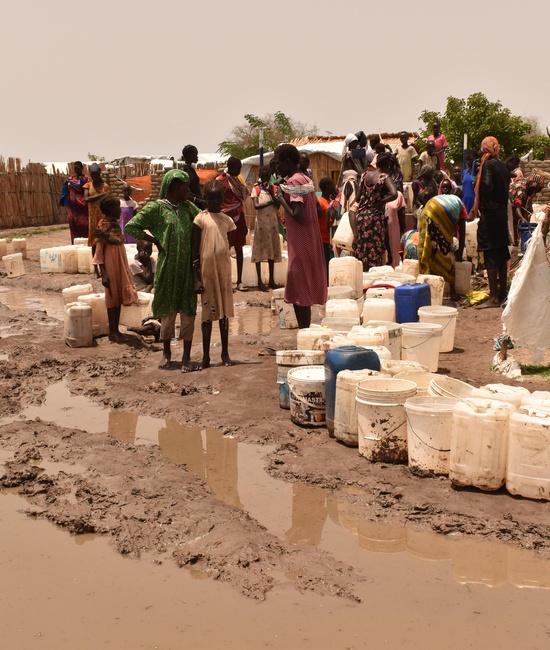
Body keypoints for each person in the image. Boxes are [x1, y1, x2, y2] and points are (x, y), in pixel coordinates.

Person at [125, 169, 200, 371]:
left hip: (187, 269)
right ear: (175, 187)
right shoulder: (157, 209)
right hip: (167, 268)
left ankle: (186, 356)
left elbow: (203, 221)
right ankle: (166, 353)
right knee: (167, 310)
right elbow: (131, 227)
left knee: (188, 311)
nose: (189, 190)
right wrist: (154, 239)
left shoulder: (188, 208)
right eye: (186, 187)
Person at [273, 144, 327, 329]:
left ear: (288, 161)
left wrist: (281, 199)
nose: (276, 167)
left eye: (279, 163)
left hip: (300, 243)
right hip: (309, 240)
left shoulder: (294, 182)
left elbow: (299, 215)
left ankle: (304, 332)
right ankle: (305, 332)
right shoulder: (306, 178)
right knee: (300, 288)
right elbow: (316, 212)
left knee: (300, 290)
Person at [192, 180, 236, 368]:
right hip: (206, 273)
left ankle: (225, 353)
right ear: (205, 199)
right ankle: (206, 357)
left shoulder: (227, 220)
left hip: (223, 271)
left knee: (224, 314)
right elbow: (194, 251)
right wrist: (196, 277)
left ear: (223, 199)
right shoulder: (200, 219)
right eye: (211, 198)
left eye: (218, 198)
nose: (215, 202)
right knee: (207, 315)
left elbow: (228, 244)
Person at [93, 196, 138, 343]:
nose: (120, 210)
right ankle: (112, 332)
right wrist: (104, 274)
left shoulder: (115, 225)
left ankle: (116, 330)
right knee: (112, 297)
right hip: (110, 265)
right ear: (110, 210)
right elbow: (99, 251)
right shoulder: (103, 227)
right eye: (117, 207)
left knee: (118, 297)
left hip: (119, 262)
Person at [473, 136, 511, 308]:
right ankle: (503, 295)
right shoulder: (503, 166)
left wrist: (486, 201)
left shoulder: (487, 165)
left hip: (490, 216)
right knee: (502, 254)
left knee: (490, 254)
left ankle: (494, 298)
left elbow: (486, 184)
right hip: (502, 214)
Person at [349, 153, 398, 270]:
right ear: (388, 166)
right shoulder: (384, 177)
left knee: (362, 256)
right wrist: (380, 202)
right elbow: (394, 193)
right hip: (374, 221)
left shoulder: (365, 175)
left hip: (360, 219)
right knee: (374, 256)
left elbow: (357, 198)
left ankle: (362, 285)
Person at [418, 194, 467, 300]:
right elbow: (462, 230)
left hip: (428, 208)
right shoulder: (461, 208)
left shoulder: (450, 200)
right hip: (440, 211)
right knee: (445, 250)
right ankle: (452, 292)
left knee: (430, 245)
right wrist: (460, 251)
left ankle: (426, 287)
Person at [216, 156, 249, 291]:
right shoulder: (220, 181)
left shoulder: (238, 179)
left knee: (239, 248)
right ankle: (226, 281)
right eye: (238, 168)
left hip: (239, 217)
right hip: (225, 218)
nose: (239, 170)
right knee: (224, 250)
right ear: (230, 167)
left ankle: (239, 281)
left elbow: (242, 197)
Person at [250, 166, 282, 291]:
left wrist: (270, 192)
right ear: (260, 176)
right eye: (263, 176)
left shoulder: (274, 189)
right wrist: (270, 202)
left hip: (272, 223)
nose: (265, 178)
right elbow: (257, 206)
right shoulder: (256, 189)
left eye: (267, 176)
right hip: (261, 224)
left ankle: (272, 280)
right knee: (259, 250)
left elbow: (278, 205)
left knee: (272, 250)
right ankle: (259, 281)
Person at [510, 174, 545, 246]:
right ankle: (514, 245)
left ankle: (519, 244)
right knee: (514, 225)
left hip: (519, 208)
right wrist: (522, 217)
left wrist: (530, 215)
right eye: (534, 188)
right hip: (511, 208)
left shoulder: (530, 190)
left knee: (524, 226)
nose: (535, 190)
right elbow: (517, 207)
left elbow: (528, 204)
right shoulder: (520, 189)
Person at [84, 164, 110, 250]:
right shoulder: (88, 185)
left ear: (99, 174)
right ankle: (95, 262)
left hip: (102, 216)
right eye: (93, 175)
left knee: (103, 238)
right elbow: (86, 199)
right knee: (93, 242)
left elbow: (108, 201)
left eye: (96, 174)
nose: (94, 176)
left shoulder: (105, 187)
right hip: (92, 217)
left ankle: (103, 262)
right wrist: (101, 195)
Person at [64, 161, 90, 244]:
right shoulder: (71, 179)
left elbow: (88, 191)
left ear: (82, 168)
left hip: (83, 207)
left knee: (84, 225)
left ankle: (86, 243)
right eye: (75, 169)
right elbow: (67, 191)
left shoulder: (86, 179)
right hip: (73, 208)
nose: (76, 170)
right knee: (74, 224)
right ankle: (74, 243)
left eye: (78, 168)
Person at [318, 177, 337, 278]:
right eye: (332, 185)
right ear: (327, 187)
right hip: (322, 239)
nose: (334, 187)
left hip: (329, 239)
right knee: (325, 267)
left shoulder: (330, 201)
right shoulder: (320, 203)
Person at [386, 190, 406, 268]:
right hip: (379, 228)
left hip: (393, 229)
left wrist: (404, 232)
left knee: (393, 250)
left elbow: (402, 216)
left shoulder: (398, 195)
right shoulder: (378, 193)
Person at [182, 144, 206, 208]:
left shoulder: (191, 169)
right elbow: (183, 191)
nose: (197, 157)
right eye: (195, 154)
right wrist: (196, 200)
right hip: (190, 204)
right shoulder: (184, 170)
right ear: (190, 155)